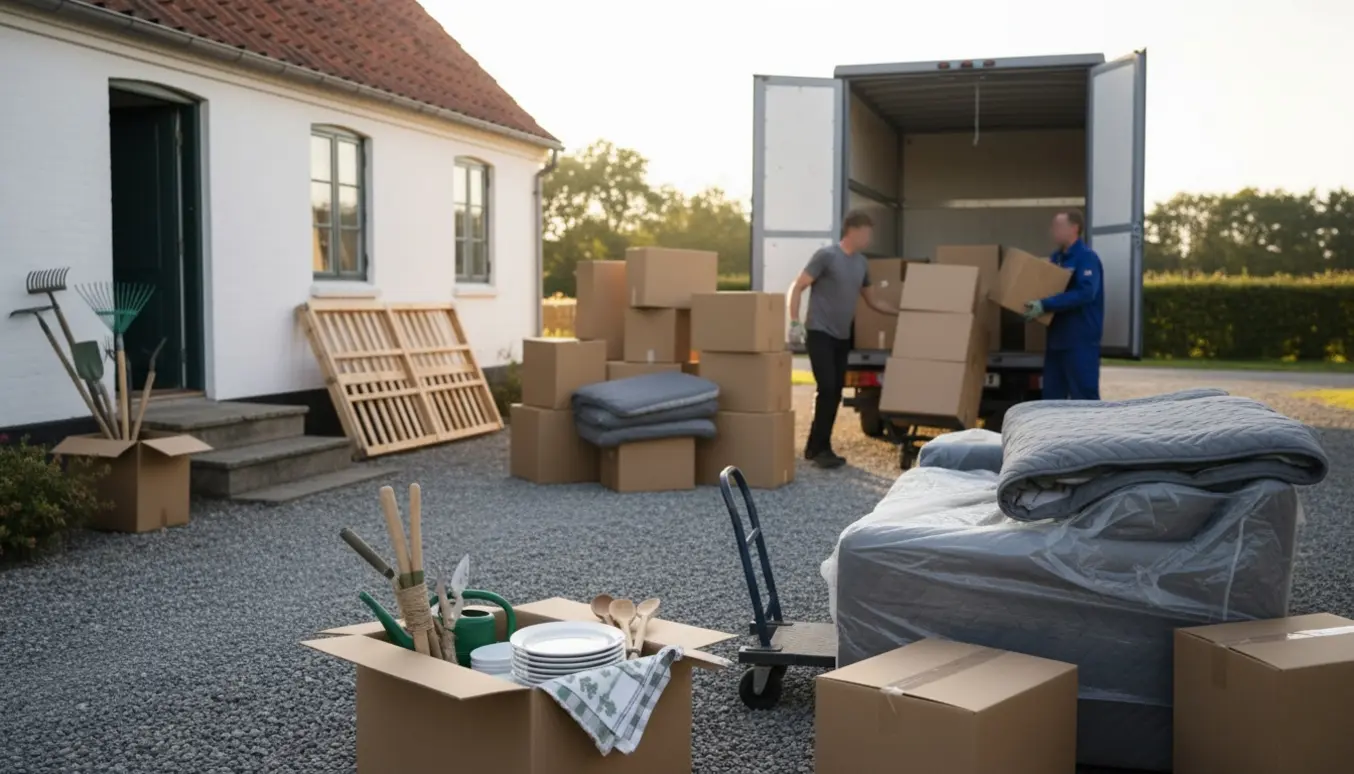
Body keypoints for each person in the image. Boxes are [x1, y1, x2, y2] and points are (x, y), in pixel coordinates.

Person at [788, 211, 898, 469]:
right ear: (853, 231)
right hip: (820, 332)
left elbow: (873, 300)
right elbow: (798, 285)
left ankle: (816, 447)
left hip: (842, 337)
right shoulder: (827, 256)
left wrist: (902, 312)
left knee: (835, 391)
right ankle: (820, 448)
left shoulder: (861, 264)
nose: (870, 238)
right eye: (867, 233)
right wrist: (794, 321)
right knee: (827, 387)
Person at [1023, 209, 1105, 400]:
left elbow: (1086, 293)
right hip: (1057, 340)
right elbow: (1045, 288)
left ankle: (1090, 431)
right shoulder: (1056, 258)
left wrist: (1045, 305)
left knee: (1084, 397)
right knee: (1051, 399)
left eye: (1059, 226)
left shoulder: (1086, 258)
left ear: (1074, 228)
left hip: (1080, 340)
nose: (1053, 230)